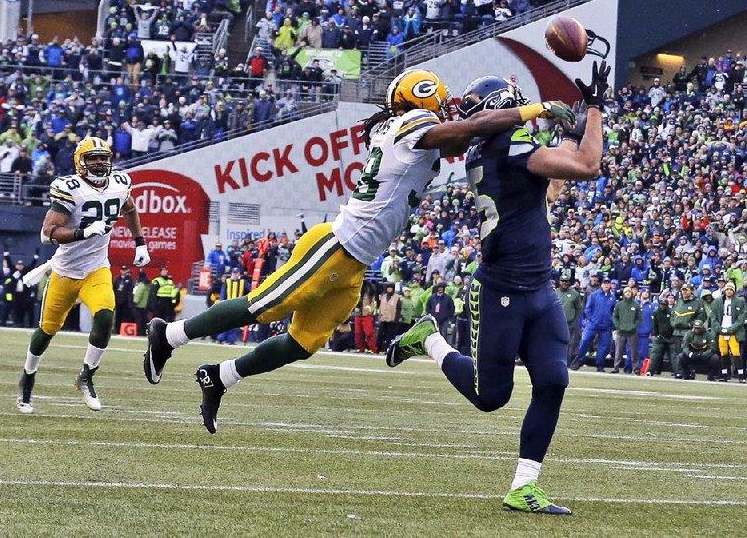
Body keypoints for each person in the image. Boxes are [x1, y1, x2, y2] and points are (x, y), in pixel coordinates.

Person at [143, 67, 575, 436]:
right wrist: (533, 109)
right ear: (422, 99)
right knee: (265, 306)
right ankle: (169, 334)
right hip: (335, 247)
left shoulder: (413, 130)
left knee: (302, 342)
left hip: (355, 261)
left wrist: (510, 113)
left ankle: (220, 377)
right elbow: (469, 129)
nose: (448, 106)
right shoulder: (410, 126)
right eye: (441, 99)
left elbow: (470, 137)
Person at [386, 61, 608, 515]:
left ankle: (524, 486)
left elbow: (547, 189)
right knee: (492, 397)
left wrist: (568, 130)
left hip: (538, 286)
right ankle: (428, 338)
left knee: (553, 381)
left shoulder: (492, 149)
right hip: (500, 288)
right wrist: (595, 113)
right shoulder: (508, 146)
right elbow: (588, 165)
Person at [16, 138, 150, 414]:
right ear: (80, 162)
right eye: (92, 158)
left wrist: (140, 242)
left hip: (96, 268)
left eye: (103, 158)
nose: (99, 163)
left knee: (105, 315)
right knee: (47, 330)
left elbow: (131, 209)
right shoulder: (70, 189)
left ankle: (86, 376)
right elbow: (47, 233)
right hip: (66, 271)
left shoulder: (119, 183)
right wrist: (82, 232)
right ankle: (27, 377)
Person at [573, 275, 617, 372]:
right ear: (601, 285)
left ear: (610, 285)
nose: (606, 285)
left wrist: (611, 321)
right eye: (605, 283)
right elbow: (587, 309)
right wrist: (592, 319)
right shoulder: (594, 295)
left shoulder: (612, 298)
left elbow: (614, 311)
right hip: (593, 324)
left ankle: (600, 365)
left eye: (608, 283)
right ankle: (578, 361)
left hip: (606, 325)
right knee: (584, 341)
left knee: (604, 346)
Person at [709, 281, 746, 382]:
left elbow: (741, 318)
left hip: (734, 332)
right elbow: (713, 317)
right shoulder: (717, 302)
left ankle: (741, 375)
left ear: (733, 291)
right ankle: (725, 374)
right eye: (727, 289)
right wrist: (719, 328)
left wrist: (732, 328)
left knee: (736, 353)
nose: (729, 291)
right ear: (724, 290)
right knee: (723, 353)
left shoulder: (739, 302)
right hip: (721, 331)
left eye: (731, 290)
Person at [670, 283, 706, 378]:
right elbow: (673, 315)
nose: (684, 292)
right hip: (677, 332)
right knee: (678, 354)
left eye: (686, 290)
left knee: (689, 353)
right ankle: (680, 372)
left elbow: (702, 317)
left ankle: (690, 372)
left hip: (689, 333)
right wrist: (674, 324)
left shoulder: (697, 302)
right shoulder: (679, 301)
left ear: (691, 291)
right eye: (683, 290)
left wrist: (690, 325)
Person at [611, 286, 643, 374]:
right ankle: (616, 367)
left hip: (632, 332)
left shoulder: (636, 305)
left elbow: (639, 318)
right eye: (626, 292)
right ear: (623, 293)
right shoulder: (619, 304)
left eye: (629, 291)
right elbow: (614, 316)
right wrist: (618, 325)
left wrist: (634, 326)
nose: (628, 293)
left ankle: (636, 368)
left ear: (632, 293)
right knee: (618, 351)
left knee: (634, 351)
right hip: (621, 331)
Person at [556, 269, 583, 365]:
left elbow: (579, 308)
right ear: (559, 282)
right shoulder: (555, 293)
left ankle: (568, 362)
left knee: (571, 343)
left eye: (566, 281)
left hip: (570, 322)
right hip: (557, 323)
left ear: (569, 282)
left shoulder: (574, 294)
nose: (564, 283)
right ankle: (556, 362)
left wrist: (575, 319)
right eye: (562, 281)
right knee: (557, 343)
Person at [647, 293, 676, 376]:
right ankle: (650, 371)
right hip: (660, 336)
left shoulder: (671, 312)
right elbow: (654, 324)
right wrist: (655, 334)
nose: (663, 306)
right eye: (661, 304)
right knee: (655, 354)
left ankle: (677, 372)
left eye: (664, 304)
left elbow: (673, 324)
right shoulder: (656, 312)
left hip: (670, 337)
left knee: (673, 356)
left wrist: (672, 335)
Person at [113, 265, 135, 332]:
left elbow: (130, 290)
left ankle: (123, 330)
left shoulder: (129, 279)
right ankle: (117, 329)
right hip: (118, 300)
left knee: (125, 316)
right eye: (122, 270)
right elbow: (114, 288)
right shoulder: (117, 278)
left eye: (125, 270)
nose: (123, 271)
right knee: (118, 315)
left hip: (125, 301)